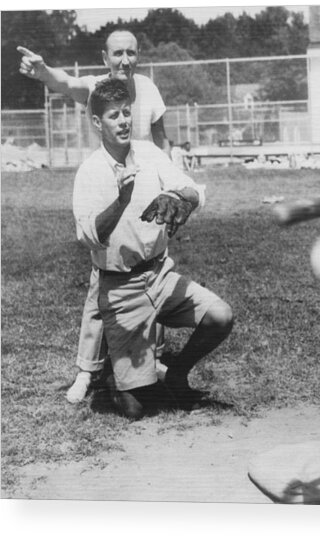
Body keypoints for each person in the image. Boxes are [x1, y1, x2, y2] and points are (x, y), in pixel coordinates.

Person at [18, 30, 170, 403]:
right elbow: (66, 83)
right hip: (112, 195)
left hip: (150, 198)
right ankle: (87, 370)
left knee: (156, 274)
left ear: (138, 56)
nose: (125, 60)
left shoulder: (148, 89)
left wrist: (173, 187)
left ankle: (155, 358)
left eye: (131, 53)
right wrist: (42, 72)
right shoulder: (97, 87)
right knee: (104, 282)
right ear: (105, 57)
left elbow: (163, 140)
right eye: (117, 53)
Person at [72, 78, 233, 420]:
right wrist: (122, 201)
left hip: (160, 274)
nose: (124, 121)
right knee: (134, 409)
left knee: (221, 316)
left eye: (127, 113)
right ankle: (116, 377)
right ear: (97, 123)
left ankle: (176, 373)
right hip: (121, 287)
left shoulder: (147, 153)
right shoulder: (90, 172)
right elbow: (87, 236)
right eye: (114, 115)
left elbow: (194, 190)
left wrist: (177, 199)